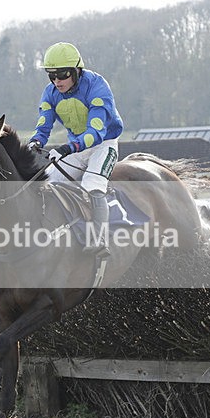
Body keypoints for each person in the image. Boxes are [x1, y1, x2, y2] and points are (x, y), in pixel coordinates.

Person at [28, 42, 123, 257]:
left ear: (76, 71)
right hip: (76, 149)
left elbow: (96, 131)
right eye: (51, 76)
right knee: (48, 184)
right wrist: (36, 142)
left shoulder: (97, 86)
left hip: (103, 144)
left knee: (92, 186)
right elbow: (44, 124)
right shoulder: (50, 92)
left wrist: (67, 148)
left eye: (62, 74)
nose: (57, 81)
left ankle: (99, 240)